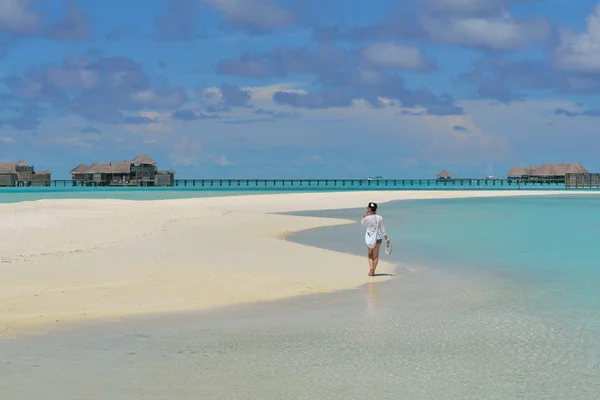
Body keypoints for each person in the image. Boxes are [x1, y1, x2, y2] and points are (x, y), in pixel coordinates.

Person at [361, 202, 390, 276]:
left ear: (369, 209)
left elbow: (362, 223)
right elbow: (382, 229)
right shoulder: (380, 217)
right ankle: (373, 271)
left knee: (370, 255)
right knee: (376, 256)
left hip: (370, 238)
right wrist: (386, 239)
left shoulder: (367, 218)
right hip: (378, 238)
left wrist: (365, 214)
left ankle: (371, 267)